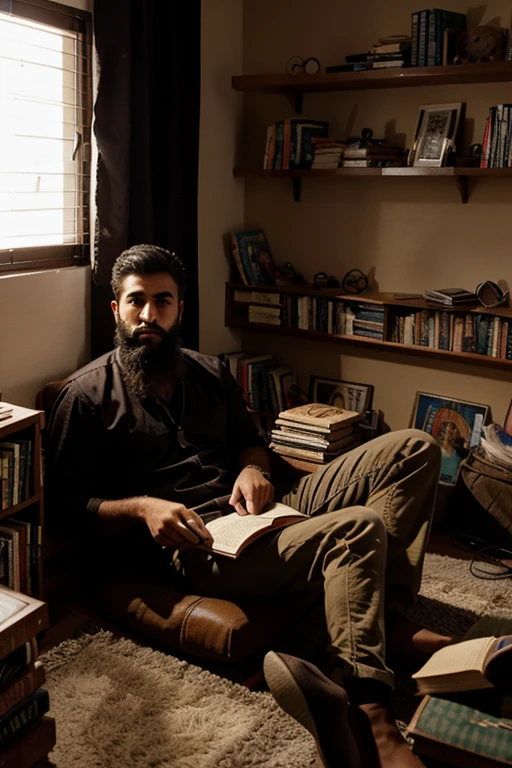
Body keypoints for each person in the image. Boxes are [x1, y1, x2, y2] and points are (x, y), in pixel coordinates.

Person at [47, 244, 452, 768]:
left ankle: (383, 622)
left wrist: (253, 467)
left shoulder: (208, 371)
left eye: (162, 302)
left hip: (260, 510)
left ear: (180, 309)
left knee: (415, 447)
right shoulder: (83, 397)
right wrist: (143, 507)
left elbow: (249, 439)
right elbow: (62, 508)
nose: (149, 315)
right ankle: (369, 709)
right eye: (136, 302)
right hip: (197, 544)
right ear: (116, 310)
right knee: (357, 529)